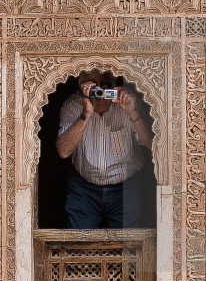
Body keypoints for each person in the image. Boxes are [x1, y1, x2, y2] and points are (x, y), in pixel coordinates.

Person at [55, 69, 154, 229]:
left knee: (128, 247)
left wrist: (132, 112)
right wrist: (86, 112)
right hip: (84, 187)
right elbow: (64, 151)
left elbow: (152, 144)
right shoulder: (73, 105)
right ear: (82, 88)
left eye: (106, 85)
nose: (100, 92)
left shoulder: (127, 103)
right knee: (80, 246)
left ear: (114, 85)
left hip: (126, 186)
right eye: (94, 87)